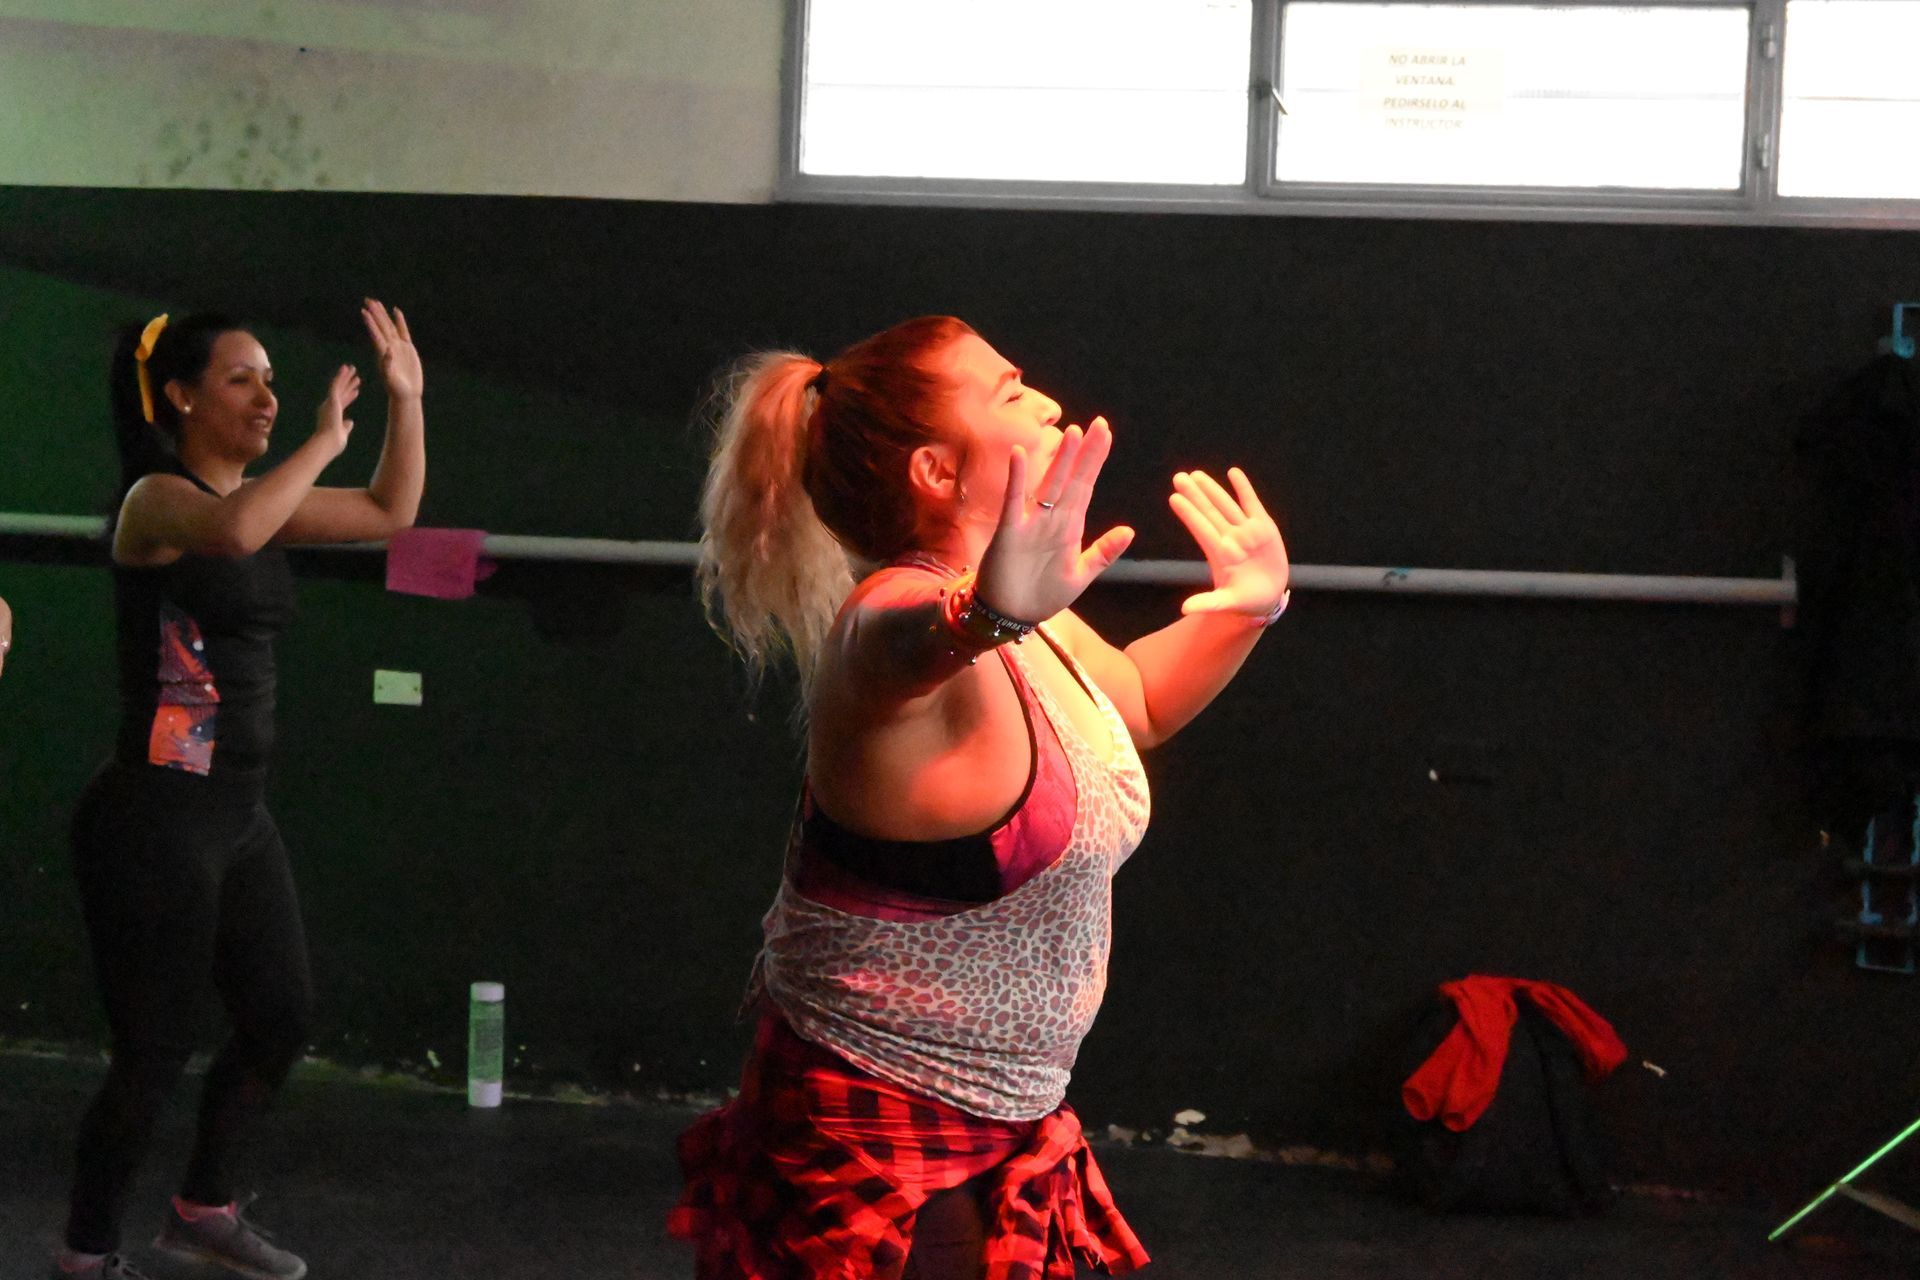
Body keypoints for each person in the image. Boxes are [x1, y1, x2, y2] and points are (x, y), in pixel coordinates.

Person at [670, 316, 1290, 1279]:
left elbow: (1138, 701)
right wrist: (986, 613)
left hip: (1009, 1126)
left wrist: (1247, 606)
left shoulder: (1031, 622)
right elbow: (903, 644)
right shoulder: (892, 619)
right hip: (875, 1129)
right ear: (935, 470)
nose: (1046, 402)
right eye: (1009, 391)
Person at [54, 303, 425, 1280]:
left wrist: (406, 399)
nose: (266, 397)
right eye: (241, 379)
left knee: (279, 1015)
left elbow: (391, 511)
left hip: (236, 817)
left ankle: (203, 1207)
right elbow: (231, 528)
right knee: (153, 1050)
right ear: (181, 397)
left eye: (270, 380)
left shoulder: (263, 502)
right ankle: (85, 1253)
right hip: (154, 816)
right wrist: (321, 439)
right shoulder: (155, 501)